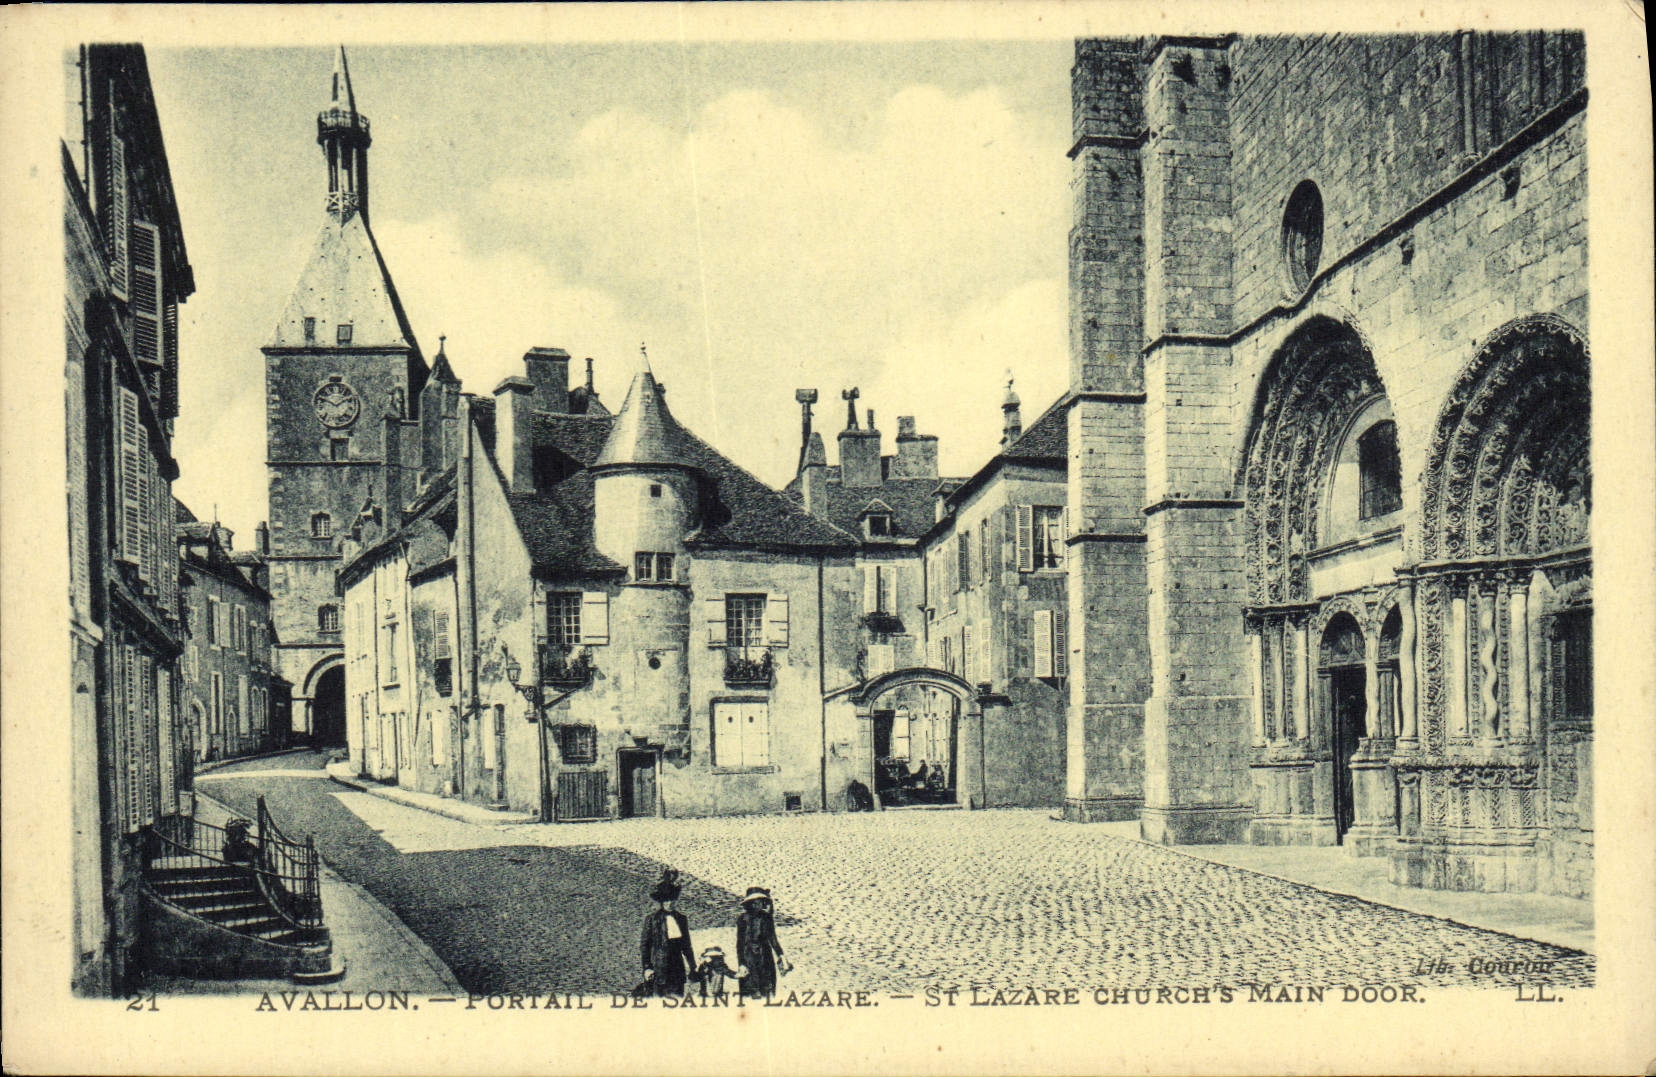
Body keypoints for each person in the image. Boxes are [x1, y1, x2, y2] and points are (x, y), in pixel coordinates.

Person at [640, 868, 696, 997]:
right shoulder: (652, 920)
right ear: (661, 902)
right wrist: (647, 967)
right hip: (659, 969)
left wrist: (693, 966)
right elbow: (645, 946)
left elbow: (686, 946)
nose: (670, 903)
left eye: (672, 900)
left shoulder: (681, 919)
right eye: (667, 900)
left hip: (677, 969)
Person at [735, 886, 790, 999]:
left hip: (765, 958)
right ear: (750, 903)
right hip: (749, 958)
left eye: (761, 901)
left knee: (767, 991)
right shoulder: (743, 919)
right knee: (751, 993)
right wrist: (741, 963)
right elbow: (740, 943)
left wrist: (781, 955)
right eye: (757, 901)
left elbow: (773, 939)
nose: (760, 903)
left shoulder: (766, 917)